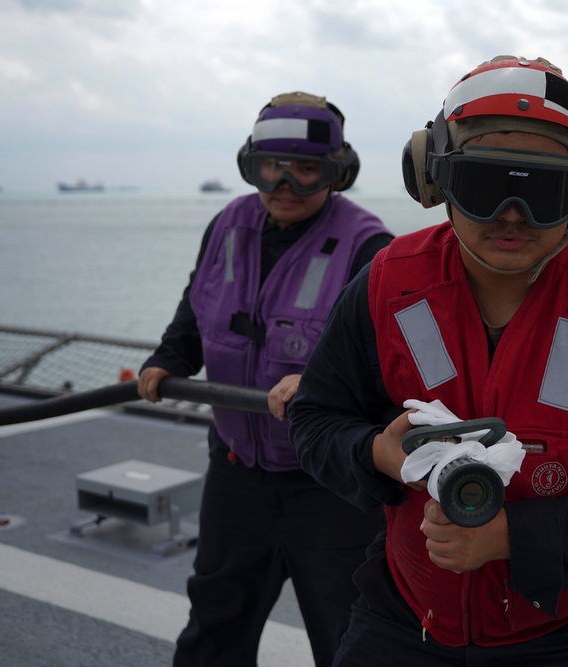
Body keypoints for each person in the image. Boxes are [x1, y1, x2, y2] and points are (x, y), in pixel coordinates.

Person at [288, 55, 568, 667]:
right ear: (436, 180)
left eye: (543, 190)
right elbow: (314, 416)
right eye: (485, 184)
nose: (512, 214)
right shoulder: (387, 284)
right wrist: (377, 452)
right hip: (408, 618)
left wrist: (509, 538)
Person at [137, 91, 393, 667]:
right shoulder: (227, 224)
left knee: (348, 627)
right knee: (215, 621)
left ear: (337, 173)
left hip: (329, 483)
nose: (285, 183)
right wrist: (169, 357)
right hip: (236, 467)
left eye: (307, 170)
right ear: (249, 164)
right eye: (270, 166)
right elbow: (197, 301)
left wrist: (320, 382)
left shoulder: (370, 248)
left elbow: (389, 358)